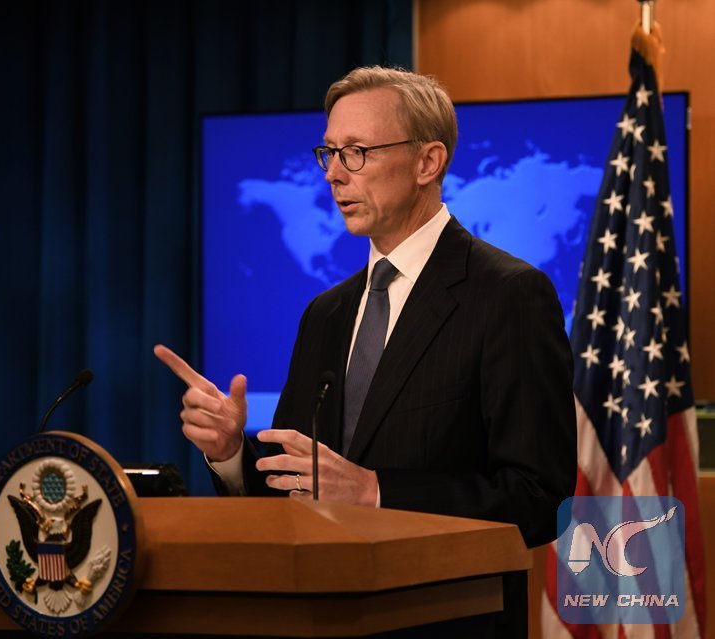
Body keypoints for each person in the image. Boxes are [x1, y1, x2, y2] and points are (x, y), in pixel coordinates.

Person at [155, 66, 576, 634]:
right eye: (328, 152)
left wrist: (376, 491)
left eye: (356, 152)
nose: (333, 174)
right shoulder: (326, 313)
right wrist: (231, 453)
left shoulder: (508, 295)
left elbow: (538, 499)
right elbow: (295, 494)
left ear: (428, 162)